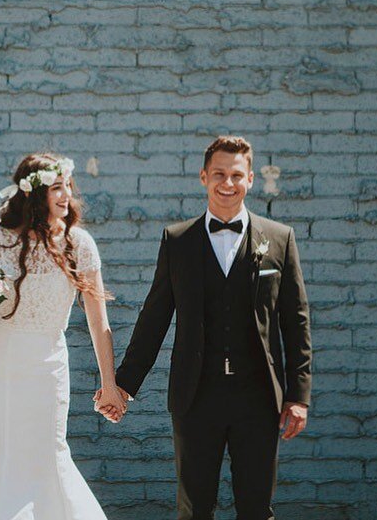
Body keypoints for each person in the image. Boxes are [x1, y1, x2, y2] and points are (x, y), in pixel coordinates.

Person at [99, 135, 312, 520]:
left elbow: (295, 322)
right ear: (203, 177)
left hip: (259, 397)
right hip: (195, 396)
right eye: (219, 174)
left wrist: (298, 395)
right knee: (194, 508)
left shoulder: (280, 239)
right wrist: (123, 384)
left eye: (236, 175)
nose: (227, 183)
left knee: (256, 508)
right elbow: (154, 318)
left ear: (250, 179)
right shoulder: (177, 240)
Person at [0, 152, 126, 520]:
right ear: (33, 194)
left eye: (68, 185)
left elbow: (99, 322)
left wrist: (110, 384)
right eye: (56, 187)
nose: (67, 194)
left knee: (46, 452)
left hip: (47, 363)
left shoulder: (79, 243)